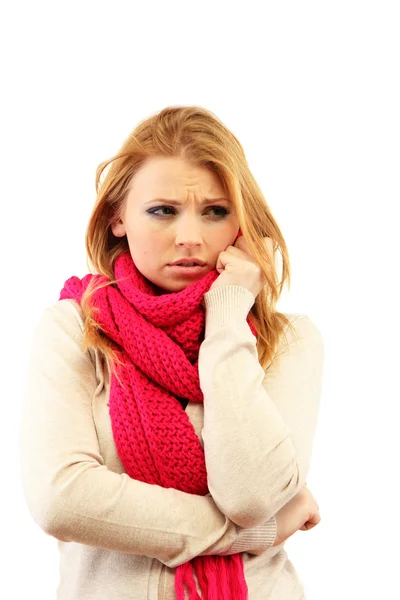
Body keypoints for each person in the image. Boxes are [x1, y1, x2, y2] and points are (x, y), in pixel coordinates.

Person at [19, 105, 325, 600]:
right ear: (117, 218)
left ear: (243, 226)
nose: (190, 237)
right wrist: (247, 536)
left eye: (216, 211)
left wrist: (228, 317)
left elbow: (250, 496)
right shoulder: (77, 330)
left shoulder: (285, 341)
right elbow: (62, 499)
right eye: (163, 210)